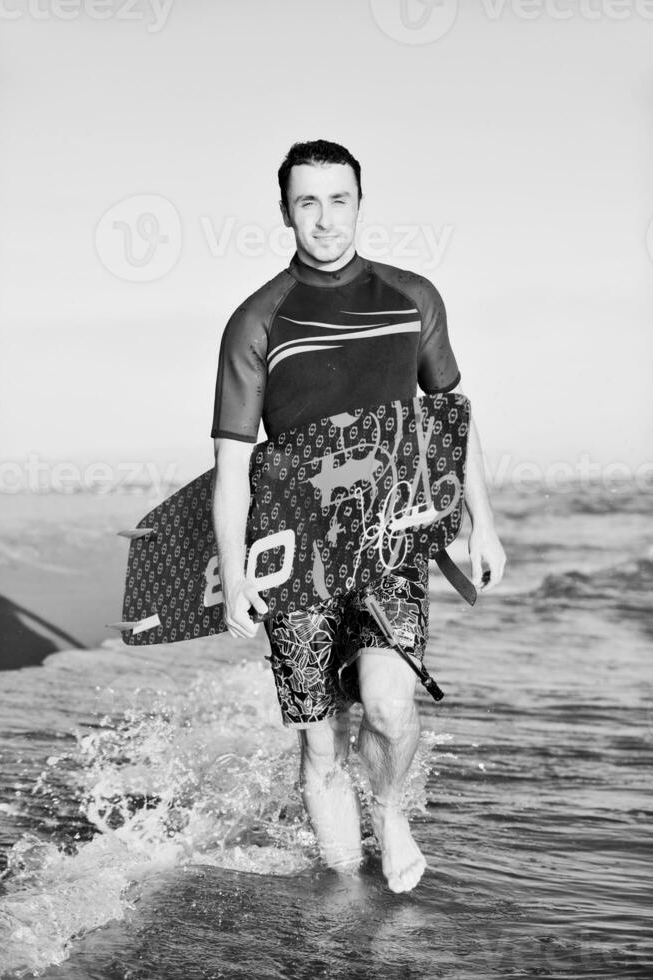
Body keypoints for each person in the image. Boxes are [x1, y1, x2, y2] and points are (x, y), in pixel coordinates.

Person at [211, 140, 506, 893]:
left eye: (338, 199)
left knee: (387, 701)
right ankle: (343, 898)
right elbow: (232, 470)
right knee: (318, 746)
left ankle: (391, 808)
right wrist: (237, 573)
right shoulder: (258, 320)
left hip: (389, 536)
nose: (324, 218)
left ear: (359, 204)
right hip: (294, 552)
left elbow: (450, 422)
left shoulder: (412, 297)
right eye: (307, 201)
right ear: (285, 211)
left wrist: (483, 521)